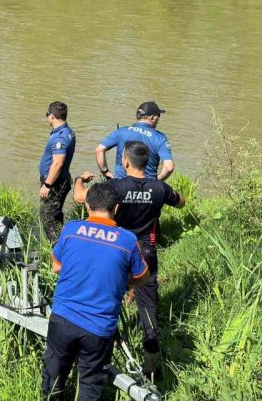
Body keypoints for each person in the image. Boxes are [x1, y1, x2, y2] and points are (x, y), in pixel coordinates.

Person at [74, 141, 186, 380]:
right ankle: (151, 363)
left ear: (125, 161)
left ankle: (101, 352)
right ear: (147, 162)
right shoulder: (159, 188)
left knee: (105, 299)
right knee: (148, 309)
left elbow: (81, 198)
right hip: (145, 254)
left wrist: (79, 180)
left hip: (115, 252)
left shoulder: (116, 186)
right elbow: (181, 201)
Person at [42, 184, 150, 400]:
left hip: (63, 319)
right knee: (91, 384)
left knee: (53, 376)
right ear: (116, 208)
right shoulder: (128, 240)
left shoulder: (71, 229)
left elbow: (56, 266)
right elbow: (143, 277)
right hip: (99, 328)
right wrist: (121, 280)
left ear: (88, 206)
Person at [95, 101, 174, 181]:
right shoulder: (160, 137)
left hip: (120, 184)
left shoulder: (121, 131)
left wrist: (105, 172)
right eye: (158, 116)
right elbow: (169, 167)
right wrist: (156, 182)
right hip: (147, 187)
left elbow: (99, 150)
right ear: (152, 118)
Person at [39, 101, 76, 241]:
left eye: (47, 114)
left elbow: (58, 163)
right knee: (56, 215)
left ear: (52, 116)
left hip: (54, 184)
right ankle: (62, 243)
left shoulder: (60, 137)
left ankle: (56, 253)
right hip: (61, 180)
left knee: (48, 218)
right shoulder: (68, 131)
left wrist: (47, 185)